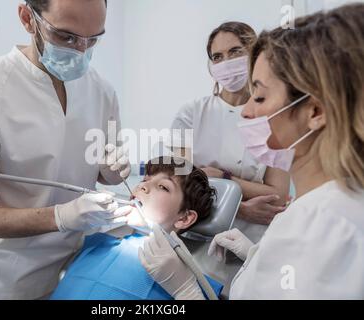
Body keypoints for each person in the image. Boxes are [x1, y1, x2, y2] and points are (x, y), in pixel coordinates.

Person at [141, 3, 364, 299]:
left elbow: (276, 195)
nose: (245, 113)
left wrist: (187, 293)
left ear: (315, 111)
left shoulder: (322, 228)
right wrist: (256, 257)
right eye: (216, 56)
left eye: (259, 95)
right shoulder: (323, 211)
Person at [0, 0, 131, 300]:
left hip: (83, 265)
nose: (81, 51)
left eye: (92, 40)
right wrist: (60, 217)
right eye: (66, 37)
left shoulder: (102, 90)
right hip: (17, 278)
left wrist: (110, 171)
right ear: (27, 18)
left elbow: (105, 175)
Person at [170, 22, 290, 294]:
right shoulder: (191, 114)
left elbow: (277, 196)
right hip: (196, 239)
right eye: (217, 57)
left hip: (250, 244)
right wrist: (239, 207)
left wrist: (221, 177)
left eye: (236, 52)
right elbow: (179, 186)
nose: (226, 62)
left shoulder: (273, 116)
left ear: (255, 54)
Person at [50, 157, 223, 300]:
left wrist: (185, 291)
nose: (143, 186)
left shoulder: (185, 283)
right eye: (145, 179)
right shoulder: (95, 243)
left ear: (184, 218)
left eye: (163, 186)